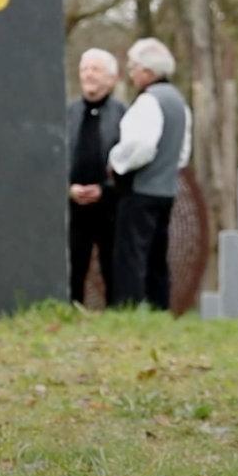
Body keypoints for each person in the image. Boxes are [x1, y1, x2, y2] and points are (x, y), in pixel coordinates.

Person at [109, 38, 192, 310]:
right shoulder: (180, 103)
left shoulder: (148, 102)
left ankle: (128, 308)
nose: (131, 73)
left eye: (133, 67)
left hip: (141, 189)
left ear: (147, 71)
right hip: (167, 190)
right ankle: (159, 308)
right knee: (158, 257)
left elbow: (141, 146)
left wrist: (115, 162)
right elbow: (182, 153)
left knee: (131, 255)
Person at [67, 48, 126, 306]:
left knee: (113, 266)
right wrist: (68, 188)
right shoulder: (67, 114)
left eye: (95, 69)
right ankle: (70, 312)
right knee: (73, 264)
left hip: (111, 206)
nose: (88, 75)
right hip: (72, 205)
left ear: (112, 79)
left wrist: (106, 189)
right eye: (84, 69)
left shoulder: (123, 115)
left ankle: (118, 318)